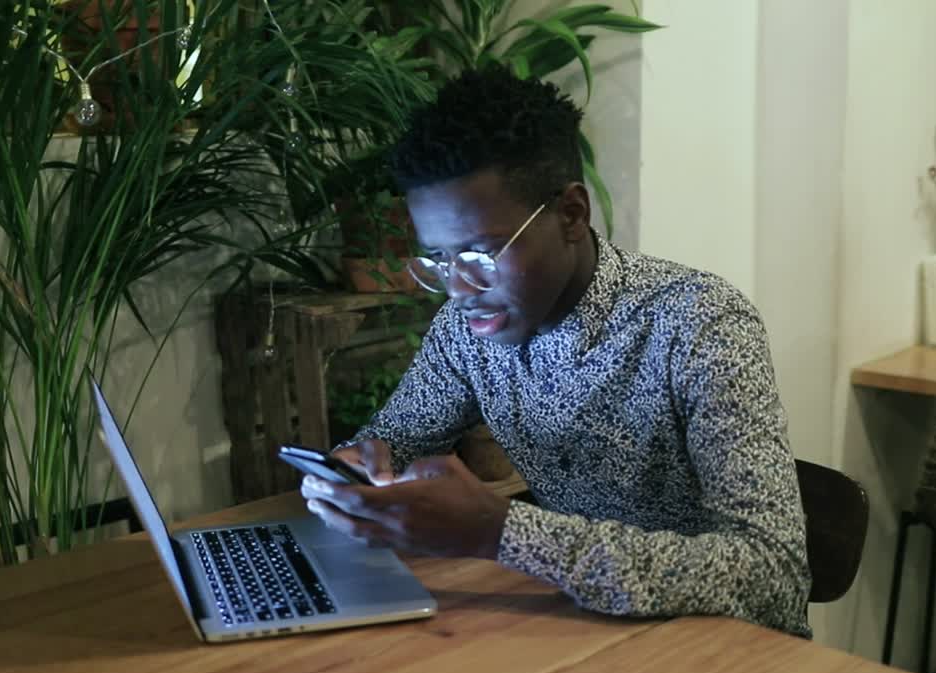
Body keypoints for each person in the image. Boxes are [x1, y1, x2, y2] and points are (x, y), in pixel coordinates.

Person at [300, 65, 812, 638]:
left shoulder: (698, 324)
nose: (459, 289)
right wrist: (344, 478)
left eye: (479, 254)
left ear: (571, 215)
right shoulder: (467, 329)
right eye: (439, 261)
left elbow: (774, 576)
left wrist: (502, 532)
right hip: (583, 634)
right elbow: (389, 442)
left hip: (728, 656)